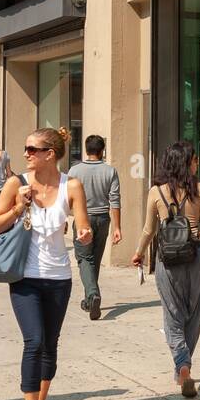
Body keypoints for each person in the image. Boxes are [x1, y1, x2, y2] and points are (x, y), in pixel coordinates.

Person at [0, 127, 92, 400]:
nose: (26, 154)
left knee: (51, 343)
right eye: (26, 149)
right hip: (25, 276)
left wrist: (85, 233)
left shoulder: (71, 185)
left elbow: (82, 224)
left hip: (59, 277)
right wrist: (19, 207)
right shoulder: (15, 184)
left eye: (32, 149)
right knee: (33, 342)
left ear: (50, 154)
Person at [131, 141, 200, 398]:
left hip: (169, 260)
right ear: (186, 163)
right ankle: (184, 365)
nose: (198, 163)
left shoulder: (156, 192)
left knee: (173, 315)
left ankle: (182, 366)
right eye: (195, 160)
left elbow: (149, 230)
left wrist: (139, 253)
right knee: (194, 314)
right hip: (198, 256)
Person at [68, 134, 121, 320]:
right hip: (103, 220)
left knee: (84, 258)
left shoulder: (74, 171)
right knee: (94, 260)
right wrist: (117, 227)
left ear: (86, 149)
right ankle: (90, 298)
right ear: (102, 151)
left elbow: (67, 198)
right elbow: (114, 200)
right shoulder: (110, 171)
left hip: (83, 219)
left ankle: (92, 295)